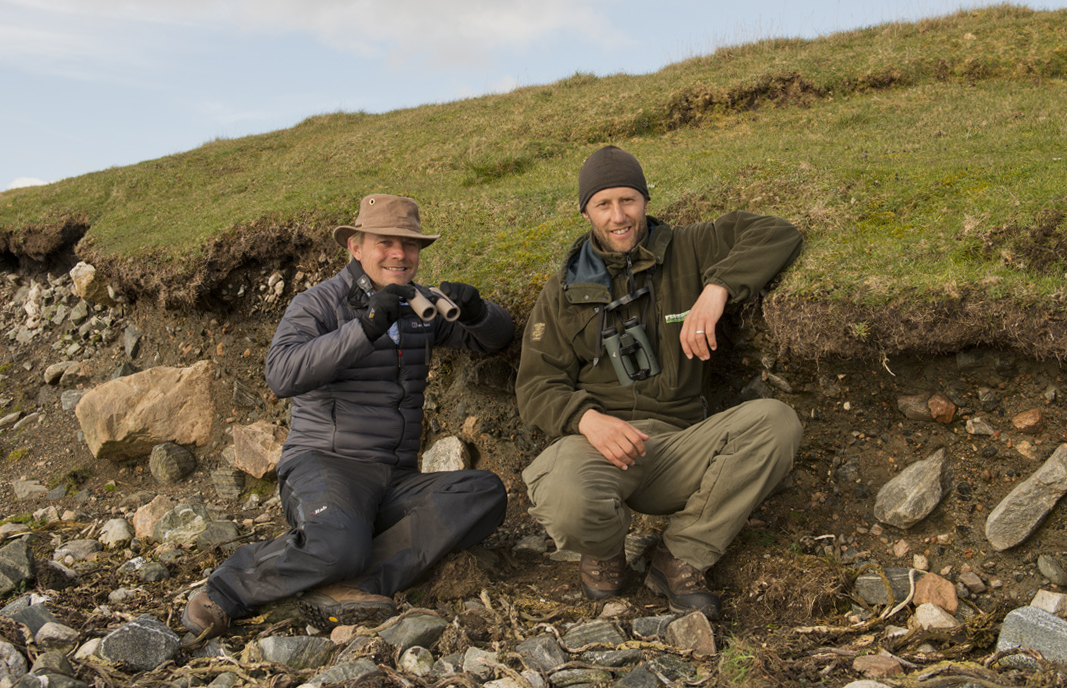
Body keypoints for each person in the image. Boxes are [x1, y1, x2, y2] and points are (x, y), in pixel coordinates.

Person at [182, 193, 514, 637]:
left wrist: (479, 312)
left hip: (395, 476)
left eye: (410, 244)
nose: (399, 253)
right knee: (338, 542)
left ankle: (354, 584)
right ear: (355, 247)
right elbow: (281, 374)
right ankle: (225, 590)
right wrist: (363, 328)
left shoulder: (420, 307)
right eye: (385, 242)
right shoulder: (317, 304)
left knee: (484, 493)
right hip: (326, 465)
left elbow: (495, 339)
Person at [516, 146, 804, 618]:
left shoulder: (691, 247)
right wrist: (588, 421)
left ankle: (680, 557)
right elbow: (536, 385)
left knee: (776, 422)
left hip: (681, 447)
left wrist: (718, 288)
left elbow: (776, 232)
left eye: (628, 200)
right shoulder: (560, 293)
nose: (618, 216)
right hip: (601, 448)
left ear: (645, 200)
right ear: (585, 210)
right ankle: (606, 553)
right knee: (562, 491)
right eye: (603, 204)